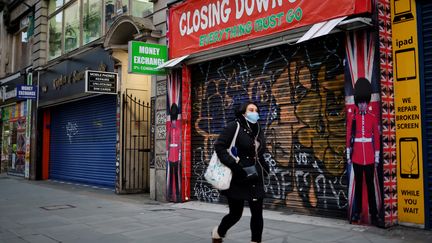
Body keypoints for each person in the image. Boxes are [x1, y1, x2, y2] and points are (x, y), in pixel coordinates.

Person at [211, 102, 269, 243]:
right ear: (243, 112)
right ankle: (218, 231)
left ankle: (256, 241)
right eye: (251, 109)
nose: (254, 112)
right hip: (238, 177)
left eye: (256, 110)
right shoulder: (234, 126)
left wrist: (265, 167)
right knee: (235, 214)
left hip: (255, 176)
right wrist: (234, 166)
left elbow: (259, 152)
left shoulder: (258, 128)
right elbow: (219, 147)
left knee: (257, 214)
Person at [346, 78, 380, 225]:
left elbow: (376, 139)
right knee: (359, 185)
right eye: (360, 103)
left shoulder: (372, 118)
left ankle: (374, 213)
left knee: (371, 186)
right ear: (357, 103)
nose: (362, 105)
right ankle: (357, 213)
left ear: (367, 102)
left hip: (370, 157)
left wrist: (377, 156)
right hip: (357, 157)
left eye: (364, 102)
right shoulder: (353, 118)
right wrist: (348, 154)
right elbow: (349, 136)